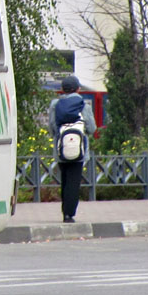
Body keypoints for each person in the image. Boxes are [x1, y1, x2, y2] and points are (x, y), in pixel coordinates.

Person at [49, 75, 97, 223]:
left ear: (62, 89)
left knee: (64, 180)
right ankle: (69, 214)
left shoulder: (55, 104)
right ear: (78, 89)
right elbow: (92, 128)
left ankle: (65, 212)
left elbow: (52, 127)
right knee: (74, 182)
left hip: (61, 149)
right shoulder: (84, 105)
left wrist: (58, 137)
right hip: (79, 151)